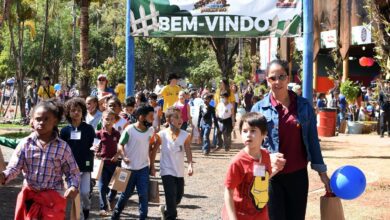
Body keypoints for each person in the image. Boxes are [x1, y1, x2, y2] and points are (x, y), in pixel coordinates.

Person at [251, 59, 330, 220]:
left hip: (298, 176)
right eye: (273, 78)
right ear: (267, 80)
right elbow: (250, 146)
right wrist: (267, 157)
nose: (277, 81)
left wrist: (322, 171)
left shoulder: (304, 106)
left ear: (288, 78)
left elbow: (312, 140)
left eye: (281, 76)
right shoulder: (258, 109)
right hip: (269, 176)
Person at [0, 100, 80, 219]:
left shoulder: (63, 147)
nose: (41, 122)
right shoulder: (25, 144)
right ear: (32, 121)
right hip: (30, 199)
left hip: (53, 201)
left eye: (46, 119)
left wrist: (73, 186)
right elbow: (14, 168)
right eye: (38, 119)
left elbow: (72, 172)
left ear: (55, 121)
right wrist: (3, 176)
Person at [222, 112, 274, 220]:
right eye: (244, 131)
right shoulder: (238, 162)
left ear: (264, 134)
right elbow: (228, 191)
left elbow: (261, 179)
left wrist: (276, 170)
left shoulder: (266, 156)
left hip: (261, 215)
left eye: (253, 131)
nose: (248, 135)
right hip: (240, 216)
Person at [111, 104, 158, 220]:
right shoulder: (130, 130)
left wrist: (152, 166)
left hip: (143, 169)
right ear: (141, 117)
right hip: (128, 169)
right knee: (125, 195)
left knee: (143, 195)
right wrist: (123, 156)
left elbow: (151, 148)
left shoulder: (150, 131)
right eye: (151, 116)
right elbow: (120, 145)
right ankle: (115, 215)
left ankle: (143, 217)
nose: (153, 119)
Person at [153, 106, 194, 220]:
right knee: (170, 194)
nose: (180, 119)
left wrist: (190, 164)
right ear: (168, 120)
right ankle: (171, 216)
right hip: (166, 170)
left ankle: (166, 209)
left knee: (178, 197)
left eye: (181, 117)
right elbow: (154, 150)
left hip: (179, 171)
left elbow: (188, 150)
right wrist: (151, 166)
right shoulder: (161, 134)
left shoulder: (185, 135)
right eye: (176, 117)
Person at [60, 97, 96, 219]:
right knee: (74, 194)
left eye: (79, 110)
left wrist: (97, 148)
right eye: (73, 110)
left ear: (83, 112)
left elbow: (95, 143)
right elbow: (61, 148)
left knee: (85, 193)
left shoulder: (89, 129)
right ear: (68, 113)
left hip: (85, 165)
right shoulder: (64, 131)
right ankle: (78, 216)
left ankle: (86, 210)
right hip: (70, 169)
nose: (76, 112)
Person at [95, 110, 121, 216]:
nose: (109, 121)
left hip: (114, 163)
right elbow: (94, 147)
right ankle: (103, 208)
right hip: (103, 163)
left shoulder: (117, 133)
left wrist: (117, 155)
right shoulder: (98, 134)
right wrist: (96, 153)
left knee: (115, 187)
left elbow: (121, 147)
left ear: (115, 120)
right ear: (102, 119)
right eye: (106, 119)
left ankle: (110, 199)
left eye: (111, 119)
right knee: (102, 187)